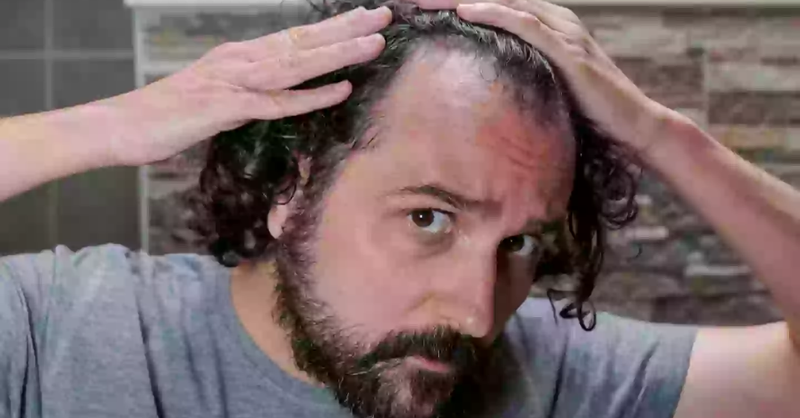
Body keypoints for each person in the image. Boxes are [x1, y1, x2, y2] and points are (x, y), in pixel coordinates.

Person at [0, 0, 798, 418]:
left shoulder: (554, 375)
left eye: (520, 242)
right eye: (429, 218)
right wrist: (108, 126)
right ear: (292, 190)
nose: (476, 314)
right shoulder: (60, 332)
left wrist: (662, 135)